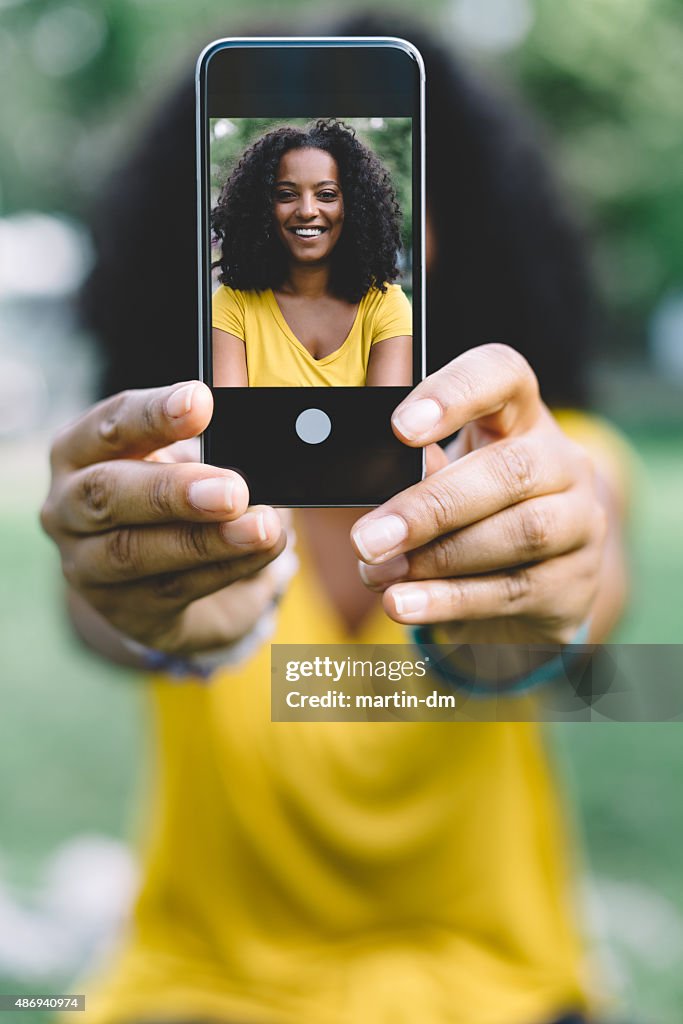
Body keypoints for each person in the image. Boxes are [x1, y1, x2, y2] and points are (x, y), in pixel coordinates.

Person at [41, 13, 631, 1024]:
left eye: (337, 189)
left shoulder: (539, 450)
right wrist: (134, 603)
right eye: (278, 192)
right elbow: (101, 620)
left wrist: (542, 609)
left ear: (429, 224)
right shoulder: (172, 459)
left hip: (486, 986)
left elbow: (586, 577)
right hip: (200, 993)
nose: (306, 216)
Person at [211, 119, 413, 387]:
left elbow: (386, 426)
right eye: (286, 195)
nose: (307, 210)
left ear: (353, 206)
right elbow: (229, 426)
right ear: (263, 208)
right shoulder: (232, 305)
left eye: (327, 195)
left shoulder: (385, 307)